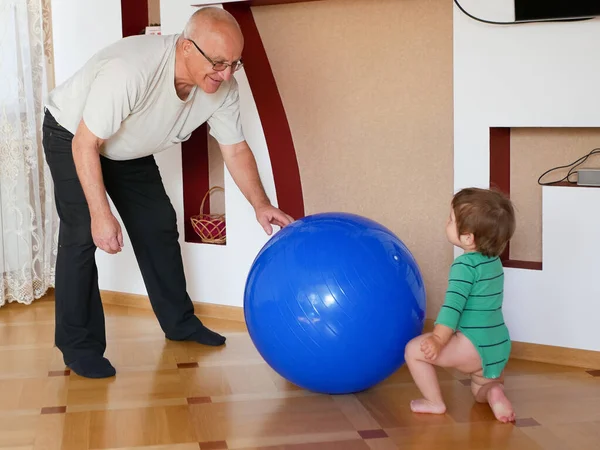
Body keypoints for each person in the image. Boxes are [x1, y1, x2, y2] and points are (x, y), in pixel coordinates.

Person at [42, 7, 293, 379]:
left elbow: (235, 148)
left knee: (157, 223)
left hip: (127, 148)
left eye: (234, 64)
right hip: (73, 136)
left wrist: (261, 204)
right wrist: (101, 214)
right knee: (81, 233)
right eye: (219, 62)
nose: (225, 74)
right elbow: (85, 143)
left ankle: (180, 323)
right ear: (186, 47)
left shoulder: (223, 89)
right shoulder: (132, 70)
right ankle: (80, 347)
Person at [404, 187, 517, 423]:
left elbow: (452, 308)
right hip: (498, 342)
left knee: (413, 351)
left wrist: (438, 339)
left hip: (472, 344)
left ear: (467, 238)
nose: (447, 222)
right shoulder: (493, 262)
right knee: (480, 391)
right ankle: (494, 391)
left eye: (451, 219)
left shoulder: (464, 267)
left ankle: (434, 402)